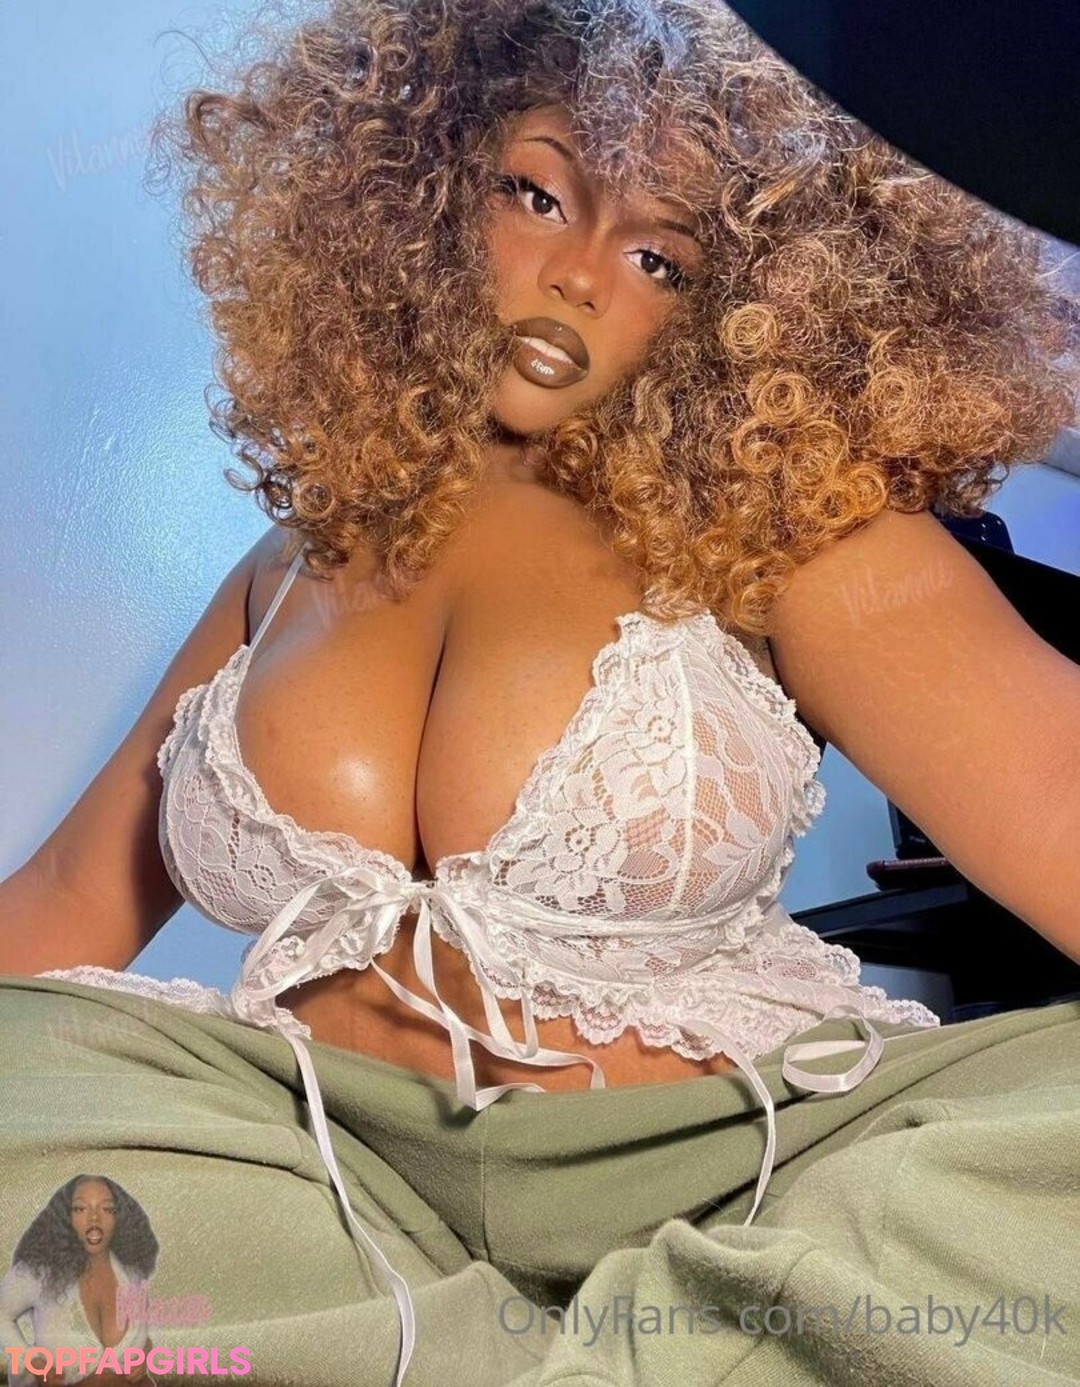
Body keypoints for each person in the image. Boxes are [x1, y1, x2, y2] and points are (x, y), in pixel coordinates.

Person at [1, 1, 1078, 1384]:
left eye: (660, 257)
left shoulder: (795, 533)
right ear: (424, 194)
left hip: (741, 1193)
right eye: (538, 193)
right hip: (329, 1196)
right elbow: (64, 905)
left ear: (750, 308)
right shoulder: (290, 564)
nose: (577, 277)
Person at [0, 1176, 155, 1386]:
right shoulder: (38, 1272)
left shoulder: (133, 1274)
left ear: (119, 1218)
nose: (94, 1219)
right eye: (80, 1209)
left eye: (107, 1209)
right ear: (65, 1217)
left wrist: (145, 1353)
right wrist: (29, 1359)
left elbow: (141, 1338)